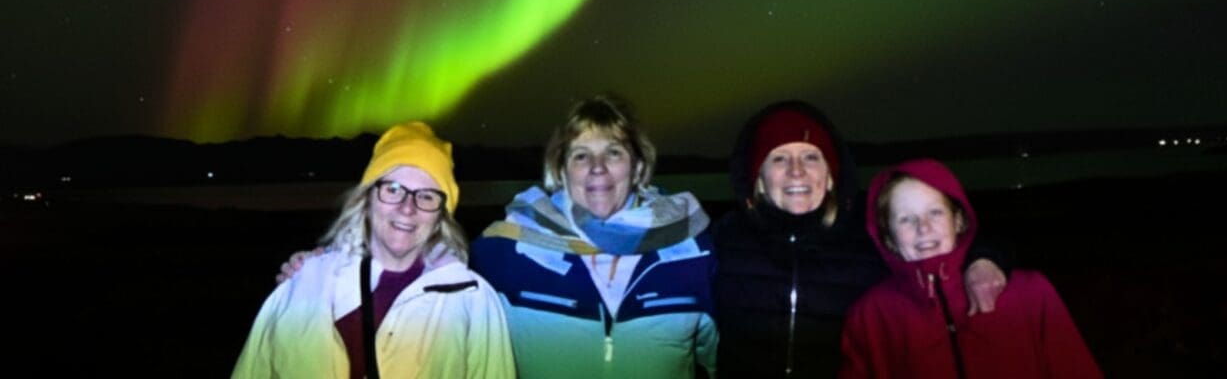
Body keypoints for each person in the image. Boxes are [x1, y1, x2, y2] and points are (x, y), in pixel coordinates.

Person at [712, 101, 1011, 377]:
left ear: (831, 175)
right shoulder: (725, 238)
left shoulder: (866, 235)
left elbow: (939, 243)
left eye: (811, 157)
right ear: (759, 180)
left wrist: (983, 260)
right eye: (779, 158)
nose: (797, 171)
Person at [233, 121, 515, 378]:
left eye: (427, 196)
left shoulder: (473, 301)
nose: (407, 208)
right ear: (366, 199)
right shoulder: (304, 284)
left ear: (441, 216)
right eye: (393, 189)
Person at [470, 95, 717, 378]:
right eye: (581, 155)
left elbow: (722, 359)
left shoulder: (693, 252)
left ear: (637, 167)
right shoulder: (506, 250)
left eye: (613, 152)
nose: (597, 167)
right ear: (561, 171)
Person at [840, 158, 1101, 379]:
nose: (924, 228)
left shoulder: (1030, 293)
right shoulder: (869, 317)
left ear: (959, 220)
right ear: (888, 237)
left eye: (935, 212)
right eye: (906, 219)